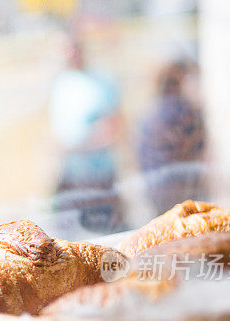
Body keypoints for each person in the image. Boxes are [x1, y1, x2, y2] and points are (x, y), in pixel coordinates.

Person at [49, 36, 125, 234]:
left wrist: (81, 146)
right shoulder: (61, 84)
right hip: (71, 176)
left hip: (98, 176)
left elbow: (113, 128)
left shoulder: (102, 81)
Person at [137, 59, 206, 214]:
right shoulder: (182, 110)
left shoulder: (153, 110)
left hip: (157, 187)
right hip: (178, 187)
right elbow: (196, 148)